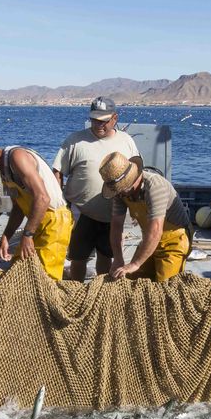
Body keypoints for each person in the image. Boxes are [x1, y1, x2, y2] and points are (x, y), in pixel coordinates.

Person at [0, 134, 72, 280]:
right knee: (20, 271)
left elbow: (43, 198)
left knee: (45, 279)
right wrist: (7, 236)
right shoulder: (4, 169)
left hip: (54, 223)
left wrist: (27, 235)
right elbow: (19, 207)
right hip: (36, 221)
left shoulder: (17, 157)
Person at [52, 97, 140, 281]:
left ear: (115, 118)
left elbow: (135, 174)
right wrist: (58, 205)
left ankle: (99, 291)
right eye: (94, 119)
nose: (98, 124)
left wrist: (135, 208)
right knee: (77, 257)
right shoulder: (75, 141)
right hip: (80, 212)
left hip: (113, 213)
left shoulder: (126, 141)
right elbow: (58, 172)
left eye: (104, 120)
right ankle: (76, 291)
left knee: (106, 256)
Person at [100, 151, 193, 281]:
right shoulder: (119, 193)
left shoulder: (155, 186)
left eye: (121, 188)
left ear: (132, 179)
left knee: (165, 288)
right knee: (131, 279)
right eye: (116, 190)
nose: (119, 194)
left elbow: (156, 229)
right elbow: (116, 226)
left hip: (174, 241)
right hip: (148, 239)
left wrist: (135, 264)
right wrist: (118, 258)